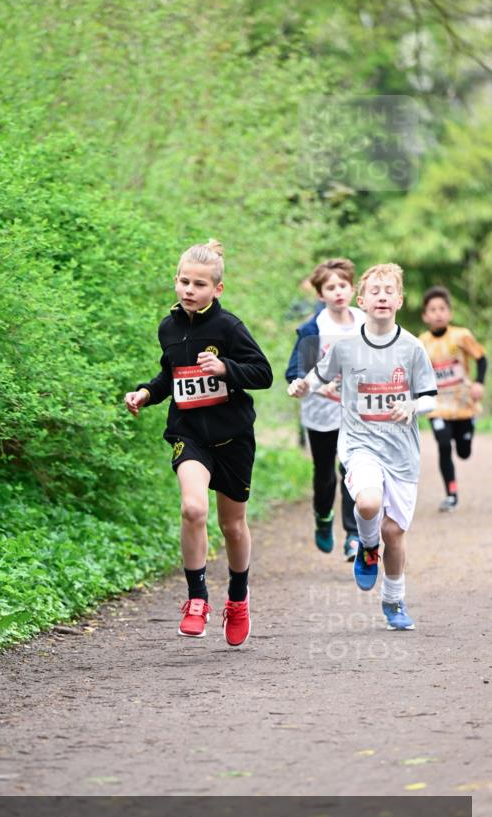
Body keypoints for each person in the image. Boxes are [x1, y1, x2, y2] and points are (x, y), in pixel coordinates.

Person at [124, 240, 272, 646]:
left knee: (232, 525)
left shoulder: (229, 328)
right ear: (176, 281)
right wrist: (145, 393)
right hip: (189, 433)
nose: (190, 290)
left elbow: (263, 373)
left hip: (233, 437)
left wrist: (226, 367)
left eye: (200, 284)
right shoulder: (168, 328)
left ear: (217, 289)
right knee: (192, 508)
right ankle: (196, 599)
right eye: (184, 281)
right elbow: (169, 377)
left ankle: (238, 600)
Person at [288, 263, 437, 631]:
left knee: (394, 533)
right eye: (375, 291)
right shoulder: (346, 346)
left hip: (402, 452)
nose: (382, 296)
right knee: (368, 503)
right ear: (362, 300)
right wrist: (300, 385)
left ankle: (394, 599)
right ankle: (366, 548)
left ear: (400, 300)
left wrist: (412, 405)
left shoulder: (413, 347)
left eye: (390, 291)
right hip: (359, 445)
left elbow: (431, 397)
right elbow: (317, 374)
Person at [285, 258, 364, 560]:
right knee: (325, 473)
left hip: (356, 413)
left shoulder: (363, 322)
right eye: (331, 287)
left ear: (352, 288)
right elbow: (296, 368)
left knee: (351, 470)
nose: (338, 292)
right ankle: (322, 516)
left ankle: (353, 535)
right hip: (320, 413)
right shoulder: (313, 328)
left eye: (342, 285)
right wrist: (298, 383)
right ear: (321, 295)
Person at [419, 285, 487, 511]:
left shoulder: (461, 335)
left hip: (463, 403)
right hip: (437, 404)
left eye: (442, 308)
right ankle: (451, 493)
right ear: (425, 315)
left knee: (464, 452)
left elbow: (481, 358)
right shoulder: (421, 342)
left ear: (449, 313)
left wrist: (479, 382)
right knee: (444, 445)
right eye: (433, 309)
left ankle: (469, 429)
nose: (438, 313)